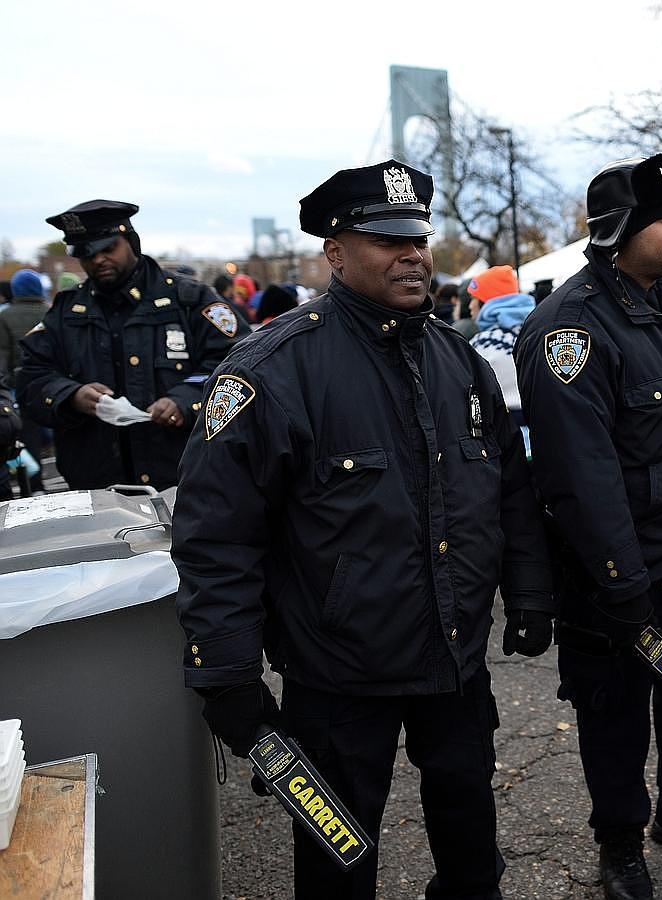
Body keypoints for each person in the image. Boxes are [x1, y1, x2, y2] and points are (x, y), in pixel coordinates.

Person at [174, 159, 554, 898]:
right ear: (336, 252)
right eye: (386, 239)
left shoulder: (457, 361)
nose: (411, 253)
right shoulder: (273, 369)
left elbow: (509, 487)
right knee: (338, 864)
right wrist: (224, 672)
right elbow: (216, 533)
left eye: (418, 237)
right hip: (339, 673)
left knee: (472, 845)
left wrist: (532, 591)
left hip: (453, 658)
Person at [517, 152, 662, 900]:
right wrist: (622, 581)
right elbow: (580, 479)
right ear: (620, 228)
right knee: (615, 716)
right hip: (617, 578)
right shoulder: (570, 329)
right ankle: (619, 840)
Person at [18, 200, 248, 490]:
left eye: (107, 249)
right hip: (98, 489)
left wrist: (185, 399)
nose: (98, 260)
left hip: (186, 481)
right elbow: (31, 379)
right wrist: (71, 395)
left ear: (130, 241)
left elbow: (239, 365)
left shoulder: (189, 299)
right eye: (87, 254)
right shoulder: (65, 313)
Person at [467, 265, 534, 440]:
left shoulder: (483, 343)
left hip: (501, 439)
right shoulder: (534, 332)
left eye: (474, 298)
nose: (470, 306)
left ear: (486, 302)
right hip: (542, 435)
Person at [0, 270, 49, 495]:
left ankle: (33, 485)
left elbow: (3, 355)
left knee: (25, 438)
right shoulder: (50, 312)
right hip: (52, 383)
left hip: (19, 387)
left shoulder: (5, 316)